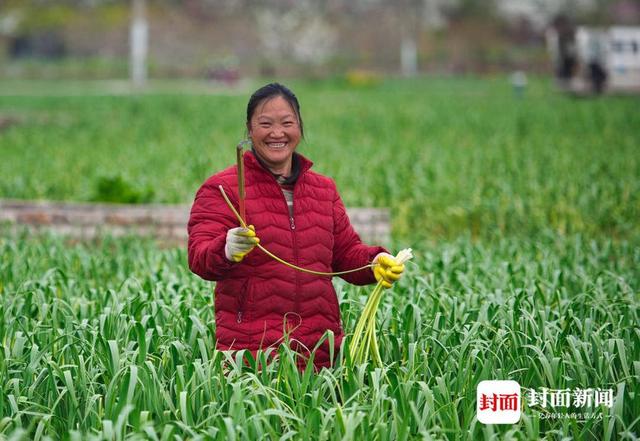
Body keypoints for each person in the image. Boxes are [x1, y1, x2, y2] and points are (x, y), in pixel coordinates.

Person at [187, 83, 404, 370]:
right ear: (249, 130)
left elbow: (345, 252)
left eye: (287, 123)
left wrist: (374, 261)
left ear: (299, 128)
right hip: (253, 353)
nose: (277, 133)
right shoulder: (223, 188)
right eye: (265, 124)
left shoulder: (323, 189)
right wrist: (225, 248)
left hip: (321, 351)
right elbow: (199, 257)